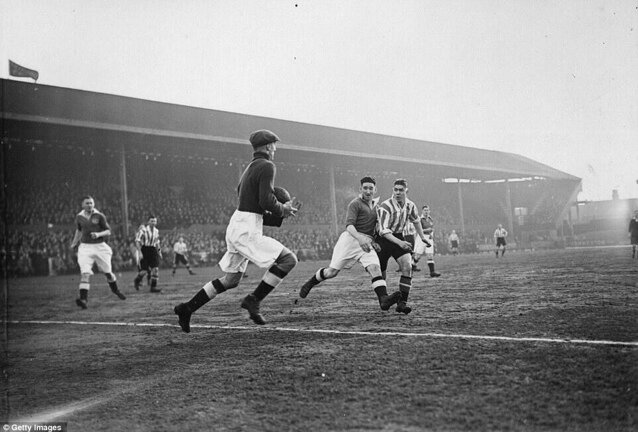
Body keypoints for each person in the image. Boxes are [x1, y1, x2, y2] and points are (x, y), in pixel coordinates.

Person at [174, 129, 299, 331]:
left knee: (231, 280)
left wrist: (279, 215)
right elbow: (265, 200)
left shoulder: (249, 168)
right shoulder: (267, 166)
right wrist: (281, 209)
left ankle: (187, 308)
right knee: (288, 259)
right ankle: (253, 300)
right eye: (274, 145)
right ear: (268, 146)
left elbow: (253, 206)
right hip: (246, 229)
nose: (275, 149)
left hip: (237, 225)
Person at [298, 176, 401, 310]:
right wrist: (360, 238)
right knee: (331, 272)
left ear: (375, 190)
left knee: (375, 269)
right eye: (365, 188)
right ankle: (310, 283)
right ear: (360, 189)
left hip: (366, 243)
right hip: (350, 240)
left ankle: (383, 299)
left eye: (371, 188)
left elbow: (375, 228)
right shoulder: (355, 204)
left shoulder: (378, 207)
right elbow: (349, 226)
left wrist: (373, 241)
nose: (368, 191)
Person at [375, 179, 430, 314]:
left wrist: (422, 237)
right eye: (396, 190)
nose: (398, 192)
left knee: (407, 267)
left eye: (401, 190)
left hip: (398, 236)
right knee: (381, 273)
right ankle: (384, 299)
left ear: (406, 191)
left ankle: (402, 303)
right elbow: (383, 231)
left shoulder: (410, 205)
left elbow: (416, 220)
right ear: (393, 190)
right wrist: (400, 243)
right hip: (383, 240)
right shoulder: (385, 206)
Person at [70, 195, 126, 308]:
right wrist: (74, 242)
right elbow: (79, 230)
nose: (89, 205)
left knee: (108, 273)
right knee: (85, 274)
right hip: (85, 247)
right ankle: (83, 300)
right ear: (82, 205)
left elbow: (108, 231)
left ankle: (116, 290)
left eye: (91, 203)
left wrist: (98, 234)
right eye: (87, 203)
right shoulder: (79, 217)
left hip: (100, 247)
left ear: (94, 204)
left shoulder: (99, 216)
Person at [134, 215, 162, 293]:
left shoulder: (156, 231)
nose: (153, 223)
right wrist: (139, 252)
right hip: (145, 249)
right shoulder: (143, 230)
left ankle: (153, 287)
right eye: (151, 221)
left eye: (154, 221)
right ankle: (137, 280)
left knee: (155, 269)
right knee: (144, 271)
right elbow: (137, 241)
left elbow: (157, 242)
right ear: (148, 222)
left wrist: (159, 251)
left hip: (153, 250)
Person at [412, 205, 441, 277]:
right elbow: (418, 230)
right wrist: (426, 230)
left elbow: (432, 228)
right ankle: (412, 266)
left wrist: (431, 234)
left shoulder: (431, 219)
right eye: (425, 210)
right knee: (418, 256)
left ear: (429, 211)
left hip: (429, 238)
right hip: (422, 238)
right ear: (422, 211)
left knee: (430, 254)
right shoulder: (420, 219)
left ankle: (432, 272)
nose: (426, 212)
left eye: (427, 210)